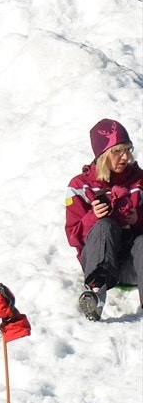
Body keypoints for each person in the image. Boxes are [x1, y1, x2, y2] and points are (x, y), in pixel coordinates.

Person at [65, 118, 141, 321]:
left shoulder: (139, 181)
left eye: (128, 149)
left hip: (132, 264)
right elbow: (73, 237)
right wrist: (93, 217)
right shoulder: (80, 186)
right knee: (105, 225)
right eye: (118, 151)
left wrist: (137, 219)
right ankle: (95, 297)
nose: (125, 156)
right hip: (98, 261)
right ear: (103, 154)